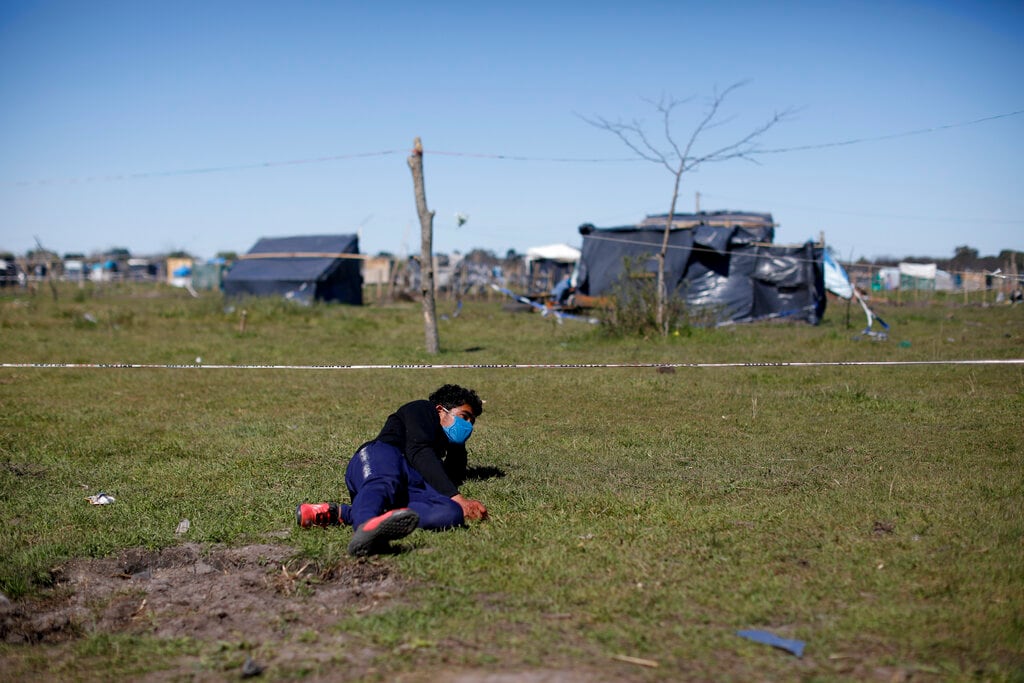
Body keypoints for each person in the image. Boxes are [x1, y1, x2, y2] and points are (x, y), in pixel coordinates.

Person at [296, 384, 489, 556]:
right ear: (440, 410)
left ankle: (340, 513)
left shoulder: (442, 443)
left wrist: (458, 446)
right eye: (464, 417)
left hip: (411, 478)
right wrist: (457, 497)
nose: (468, 425)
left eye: (472, 422)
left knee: (450, 512)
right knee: (385, 482)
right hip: (382, 455)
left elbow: (451, 475)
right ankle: (366, 530)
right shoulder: (421, 409)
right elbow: (419, 451)